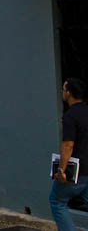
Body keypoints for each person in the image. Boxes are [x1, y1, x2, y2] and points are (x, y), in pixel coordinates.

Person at [50, 77, 88, 230]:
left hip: (77, 172)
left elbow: (68, 145)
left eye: (64, 89)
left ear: (69, 93)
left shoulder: (70, 116)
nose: (62, 92)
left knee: (57, 202)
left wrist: (61, 170)